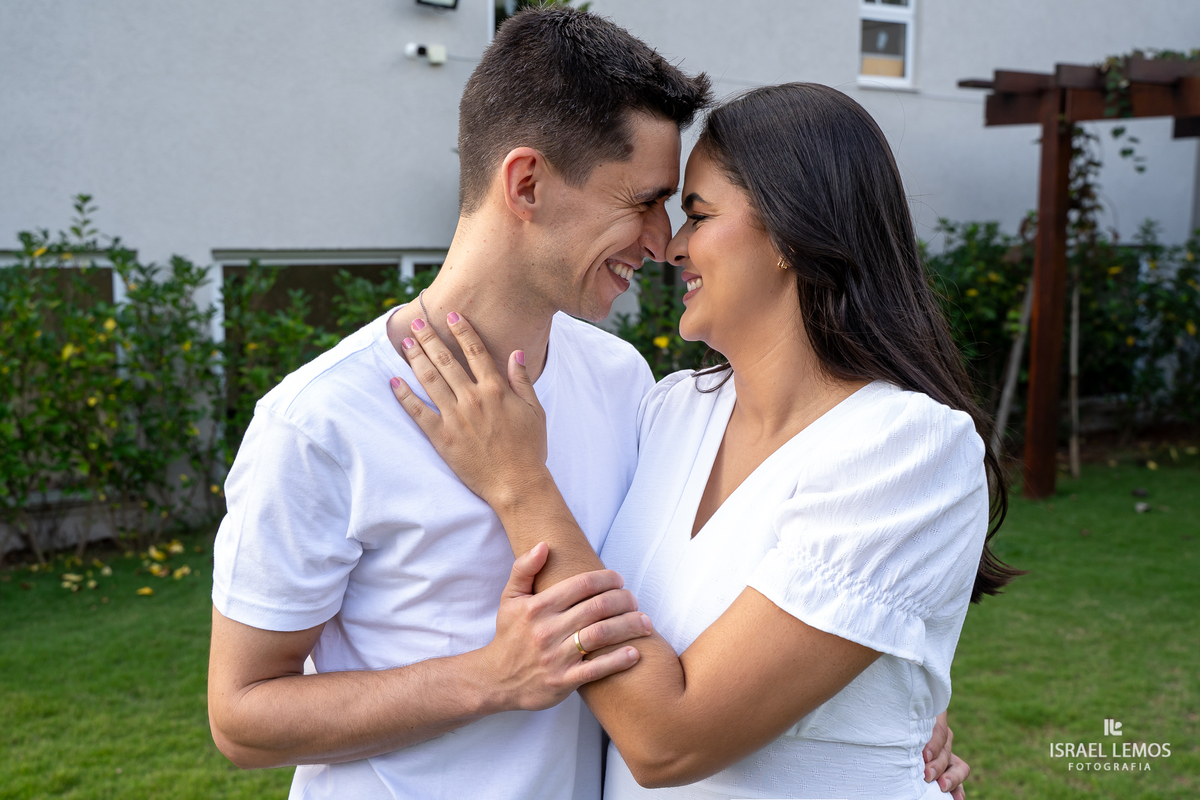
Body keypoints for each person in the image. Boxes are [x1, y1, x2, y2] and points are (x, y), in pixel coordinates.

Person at [208, 7, 968, 799]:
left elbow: (717, 608)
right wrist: (488, 678)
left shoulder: (626, 387)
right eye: (642, 200)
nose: (661, 239)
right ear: (527, 183)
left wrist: (878, 698)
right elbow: (241, 717)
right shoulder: (322, 419)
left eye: (682, 209)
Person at [388, 82, 1018, 799]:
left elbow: (668, 741)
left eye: (697, 214)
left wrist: (517, 483)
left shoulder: (908, 448)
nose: (671, 247)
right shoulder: (671, 413)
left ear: (791, 234)